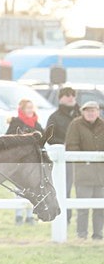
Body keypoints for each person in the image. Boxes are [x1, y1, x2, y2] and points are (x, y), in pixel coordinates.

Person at [65, 101, 104, 240]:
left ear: (98, 112)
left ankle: (98, 234)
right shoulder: (75, 125)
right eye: (87, 111)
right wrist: (86, 159)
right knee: (82, 207)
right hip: (83, 174)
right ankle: (81, 234)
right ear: (83, 112)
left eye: (93, 110)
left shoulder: (102, 125)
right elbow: (70, 146)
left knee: (100, 208)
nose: (90, 113)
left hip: (101, 176)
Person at [6, 99, 43, 224]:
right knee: (19, 189)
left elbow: (42, 140)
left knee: (32, 189)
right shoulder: (16, 123)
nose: (30, 110)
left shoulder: (36, 124)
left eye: (31, 108)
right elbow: (7, 140)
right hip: (18, 162)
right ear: (22, 109)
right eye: (27, 108)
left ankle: (30, 216)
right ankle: (18, 215)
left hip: (32, 162)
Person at [47, 87, 80, 223]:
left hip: (82, 160)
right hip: (64, 160)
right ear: (60, 98)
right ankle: (65, 219)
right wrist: (65, 145)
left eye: (73, 94)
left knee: (85, 191)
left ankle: (82, 224)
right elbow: (49, 138)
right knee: (64, 190)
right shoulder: (54, 117)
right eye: (67, 95)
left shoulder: (81, 114)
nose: (70, 97)